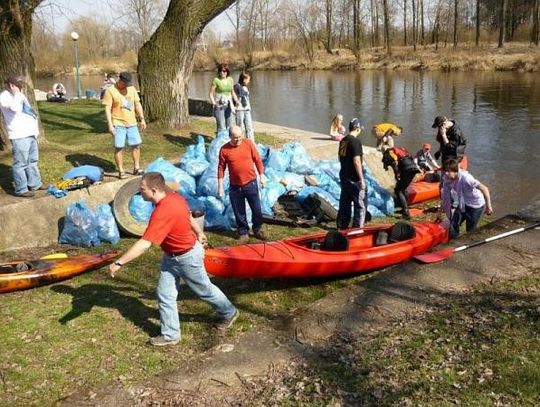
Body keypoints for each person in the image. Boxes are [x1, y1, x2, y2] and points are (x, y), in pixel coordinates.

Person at [108, 172, 239, 346]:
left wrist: (119, 262)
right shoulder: (174, 197)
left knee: (204, 289)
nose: (140, 192)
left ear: (154, 190)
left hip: (187, 258)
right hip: (171, 257)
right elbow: (188, 216)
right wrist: (199, 233)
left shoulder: (162, 211)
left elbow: (145, 243)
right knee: (165, 294)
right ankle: (171, 335)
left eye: (142, 189)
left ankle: (229, 312)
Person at [217, 125, 267, 242]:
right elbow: (221, 168)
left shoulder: (248, 144)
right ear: (229, 136)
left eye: (240, 137)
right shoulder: (224, 150)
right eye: (235, 138)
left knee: (256, 209)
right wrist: (220, 187)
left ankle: (257, 228)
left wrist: (262, 175)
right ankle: (243, 232)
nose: (238, 140)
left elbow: (257, 159)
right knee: (239, 211)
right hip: (235, 186)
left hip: (251, 183)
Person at [0, 75, 46, 197]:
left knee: (32, 161)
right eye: (18, 85)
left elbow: (29, 112)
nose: (21, 87)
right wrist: (17, 93)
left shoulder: (20, 95)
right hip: (19, 135)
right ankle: (21, 189)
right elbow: (15, 108)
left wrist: (35, 132)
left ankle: (35, 184)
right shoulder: (4, 97)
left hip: (30, 134)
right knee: (20, 164)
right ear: (11, 85)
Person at [102, 71, 146, 179]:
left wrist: (142, 119)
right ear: (119, 80)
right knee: (119, 147)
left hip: (132, 123)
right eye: (124, 83)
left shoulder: (131, 89)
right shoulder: (110, 91)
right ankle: (121, 171)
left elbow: (137, 104)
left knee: (136, 145)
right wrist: (110, 125)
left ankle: (136, 168)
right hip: (118, 123)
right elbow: (107, 109)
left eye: (127, 83)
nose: (126, 85)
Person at [437, 158, 493, 239]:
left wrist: (488, 206)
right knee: (453, 223)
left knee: (470, 230)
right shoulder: (447, 179)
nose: (446, 173)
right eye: (445, 171)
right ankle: (454, 241)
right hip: (463, 203)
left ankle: (470, 244)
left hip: (475, 205)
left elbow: (484, 188)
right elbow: (445, 197)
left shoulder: (466, 178)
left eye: (448, 171)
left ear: (455, 170)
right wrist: (439, 213)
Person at [337, 118, 367, 229]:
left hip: (344, 176)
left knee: (345, 202)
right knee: (360, 204)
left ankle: (342, 226)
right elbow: (356, 161)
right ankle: (357, 228)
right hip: (354, 179)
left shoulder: (343, 140)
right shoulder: (355, 141)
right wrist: (361, 179)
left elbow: (341, 158)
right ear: (357, 128)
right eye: (360, 129)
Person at [382, 146, 421, 220]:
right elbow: (409, 157)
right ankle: (406, 208)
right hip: (413, 168)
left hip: (406, 168)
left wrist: (397, 175)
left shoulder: (389, 153)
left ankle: (406, 213)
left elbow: (394, 164)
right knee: (403, 188)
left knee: (398, 190)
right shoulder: (400, 149)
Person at [209, 63, 239, 133]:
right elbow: (210, 93)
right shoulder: (216, 80)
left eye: (224, 71)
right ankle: (220, 142)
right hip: (220, 106)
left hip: (229, 105)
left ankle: (228, 142)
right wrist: (214, 103)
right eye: (221, 71)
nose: (222, 73)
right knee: (221, 127)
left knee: (230, 126)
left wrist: (237, 101)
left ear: (227, 72)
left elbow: (232, 92)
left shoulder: (230, 79)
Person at [234, 71, 254, 141]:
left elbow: (246, 98)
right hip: (240, 110)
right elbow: (239, 93)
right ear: (244, 79)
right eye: (248, 79)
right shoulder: (237, 86)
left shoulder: (245, 87)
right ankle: (240, 142)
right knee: (240, 127)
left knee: (249, 127)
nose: (249, 81)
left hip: (247, 109)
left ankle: (251, 143)